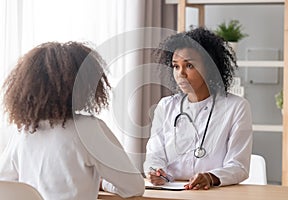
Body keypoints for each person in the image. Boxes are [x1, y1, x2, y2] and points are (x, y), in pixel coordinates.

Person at [0, 41, 145, 199]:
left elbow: (5, 183)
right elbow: (134, 187)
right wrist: (104, 183)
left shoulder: (24, 131)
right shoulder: (88, 128)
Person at [144, 27, 253, 190]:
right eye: (176, 66)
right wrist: (157, 172)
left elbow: (239, 166)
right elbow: (155, 155)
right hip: (172, 193)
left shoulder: (236, 107)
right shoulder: (166, 106)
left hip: (214, 193)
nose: (181, 74)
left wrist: (211, 177)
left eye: (189, 66)